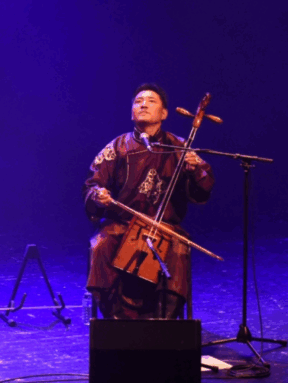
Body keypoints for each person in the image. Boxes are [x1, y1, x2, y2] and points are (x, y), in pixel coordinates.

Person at [83, 84, 215, 319]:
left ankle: (163, 323)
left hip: (165, 227)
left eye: (151, 101)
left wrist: (194, 170)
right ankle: (115, 322)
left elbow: (203, 190)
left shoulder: (179, 147)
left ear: (164, 113)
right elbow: (92, 184)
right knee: (100, 245)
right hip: (122, 224)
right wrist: (98, 195)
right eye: (138, 101)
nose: (143, 104)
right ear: (131, 113)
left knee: (178, 249)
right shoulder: (117, 147)